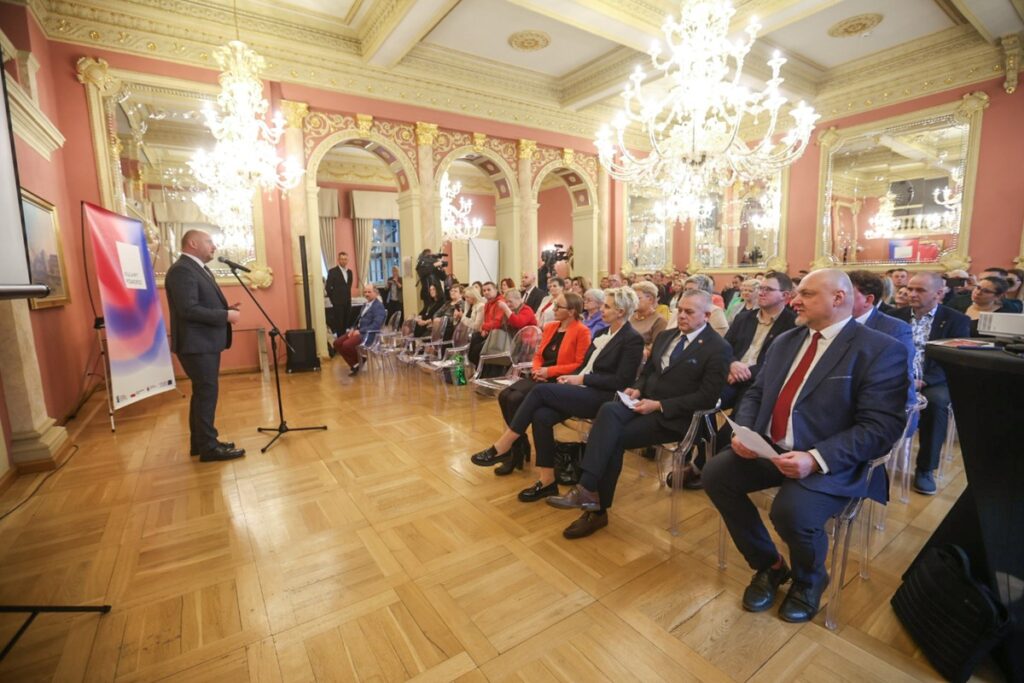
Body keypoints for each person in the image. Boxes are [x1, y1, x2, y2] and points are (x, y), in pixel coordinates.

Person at [703, 269, 909, 623]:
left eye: (806, 294)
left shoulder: (879, 349)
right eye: (796, 293)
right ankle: (769, 564)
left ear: (839, 298)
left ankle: (808, 580)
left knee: (790, 512)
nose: (794, 300)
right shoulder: (786, 341)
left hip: (831, 458)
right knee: (715, 474)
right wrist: (747, 431)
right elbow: (755, 392)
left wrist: (816, 458)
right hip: (773, 448)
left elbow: (881, 427)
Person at [545, 291, 730, 539]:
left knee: (612, 437)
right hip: (642, 404)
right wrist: (638, 388)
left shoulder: (718, 348)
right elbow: (648, 372)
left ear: (707, 315)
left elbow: (707, 398)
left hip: (674, 417)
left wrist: (659, 405)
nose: (682, 316)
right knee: (609, 409)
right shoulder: (666, 337)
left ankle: (593, 502)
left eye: (689, 312)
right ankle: (589, 492)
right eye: (680, 310)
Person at [472, 287, 644, 502]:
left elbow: (621, 381)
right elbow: (584, 365)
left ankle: (505, 444)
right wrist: (571, 377)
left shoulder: (631, 339)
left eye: (607, 306)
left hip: (602, 396)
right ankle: (547, 482)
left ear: (621, 311)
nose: (602, 309)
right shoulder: (602, 333)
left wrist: (581, 379)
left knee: (540, 391)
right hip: (582, 388)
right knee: (541, 416)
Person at [473, 292, 591, 474]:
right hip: (540, 375)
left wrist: (548, 371)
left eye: (559, 307)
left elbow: (579, 364)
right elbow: (538, 354)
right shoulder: (551, 327)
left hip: (559, 379)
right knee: (505, 395)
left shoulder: (581, 331)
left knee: (514, 399)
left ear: (572, 312)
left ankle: (514, 451)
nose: (554, 309)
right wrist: (537, 369)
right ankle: (519, 446)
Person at [166, 229, 246, 462]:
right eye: (209, 242)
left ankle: (200, 443)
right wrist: (225, 316)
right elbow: (188, 310)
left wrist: (225, 309)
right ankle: (209, 448)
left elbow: (198, 303)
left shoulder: (196, 268)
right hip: (196, 343)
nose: (214, 247)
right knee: (206, 392)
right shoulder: (182, 269)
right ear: (192, 243)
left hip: (202, 342)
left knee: (203, 392)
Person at [891, 272, 970, 494]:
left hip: (934, 378)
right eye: (910, 288)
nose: (911, 294)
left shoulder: (955, 320)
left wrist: (923, 381)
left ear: (938, 293)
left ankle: (925, 468)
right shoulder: (895, 315)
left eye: (920, 290)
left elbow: (953, 358)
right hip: (897, 375)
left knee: (936, 405)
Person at [334, 284, 387, 376]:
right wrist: (352, 329)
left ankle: (360, 361)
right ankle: (356, 363)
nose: (366, 294)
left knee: (346, 345)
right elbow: (358, 319)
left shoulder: (378, 307)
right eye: (365, 292)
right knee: (337, 343)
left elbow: (376, 325)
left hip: (368, 335)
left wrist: (360, 331)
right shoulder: (365, 304)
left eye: (369, 292)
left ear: (376, 293)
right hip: (358, 331)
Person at [467, 282, 506, 368]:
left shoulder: (500, 302)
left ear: (496, 290)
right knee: (473, 339)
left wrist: (484, 328)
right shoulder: (488, 303)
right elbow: (486, 320)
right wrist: (484, 329)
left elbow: (497, 323)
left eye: (489, 290)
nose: (486, 292)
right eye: (484, 290)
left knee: (476, 351)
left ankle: (481, 370)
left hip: (498, 335)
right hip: (489, 332)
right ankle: (477, 369)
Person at [629, 280, 668, 355]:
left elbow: (656, 348)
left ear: (650, 299)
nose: (633, 301)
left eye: (638, 298)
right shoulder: (630, 317)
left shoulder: (659, 320)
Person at [324, 251, 353, 336]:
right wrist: (334, 300)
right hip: (337, 303)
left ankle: (344, 340)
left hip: (348, 301)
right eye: (342, 259)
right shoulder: (332, 271)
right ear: (338, 260)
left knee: (346, 323)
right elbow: (328, 288)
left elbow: (348, 286)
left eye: (345, 259)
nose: (344, 261)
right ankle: (340, 341)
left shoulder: (350, 272)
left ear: (347, 260)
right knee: (339, 324)